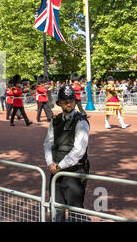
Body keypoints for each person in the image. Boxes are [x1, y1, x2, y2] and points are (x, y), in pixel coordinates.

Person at [43, 84, 90, 222]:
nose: (68, 104)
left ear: (75, 102)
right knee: (56, 207)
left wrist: (59, 166)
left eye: (71, 101)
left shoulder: (81, 122)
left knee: (75, 210)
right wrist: (50, 163)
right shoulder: (55, 121)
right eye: (64, 101)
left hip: (74, 171)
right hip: (56, 171)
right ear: (60, 103)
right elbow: (48, 143)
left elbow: (78, 151)